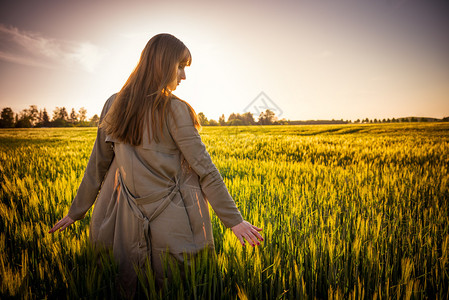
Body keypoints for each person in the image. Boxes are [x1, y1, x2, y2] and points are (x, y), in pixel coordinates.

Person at [49, 33, 263, 296]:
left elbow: (98, 165)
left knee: (127, 286)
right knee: (175, 288)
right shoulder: (175, 109)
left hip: (123, 222)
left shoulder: (113, 103)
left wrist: (77, 211)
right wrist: (234, 220)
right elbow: (204, 169)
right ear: (162, 64)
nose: (183, 76)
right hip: (173, 220)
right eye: (180, 66)